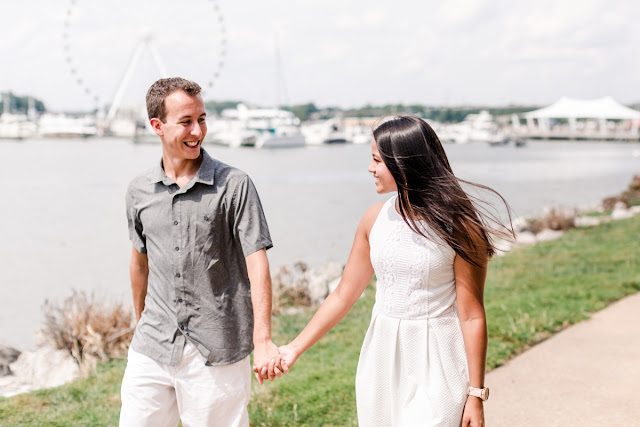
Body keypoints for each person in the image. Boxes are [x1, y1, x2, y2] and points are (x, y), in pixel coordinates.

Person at [269, 115, 513, 426]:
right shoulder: (373, 220)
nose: (370, 169)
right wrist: (294, 348)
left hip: (438, 361)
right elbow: (344, 294)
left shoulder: (460, 227)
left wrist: (476, 394)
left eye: (376, 160)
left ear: (404, 164)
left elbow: (471, 315)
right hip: (382, 358)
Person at [120, 77, 280, 427]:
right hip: (152, 347)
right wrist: (141, 324)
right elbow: (139, 264)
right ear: (157, 127)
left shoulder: (235, 185)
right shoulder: (138, 191)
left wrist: (263, 339)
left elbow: (257, 265)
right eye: (186, 122)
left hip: (218, 351)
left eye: (202, 119)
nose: (198, 130)